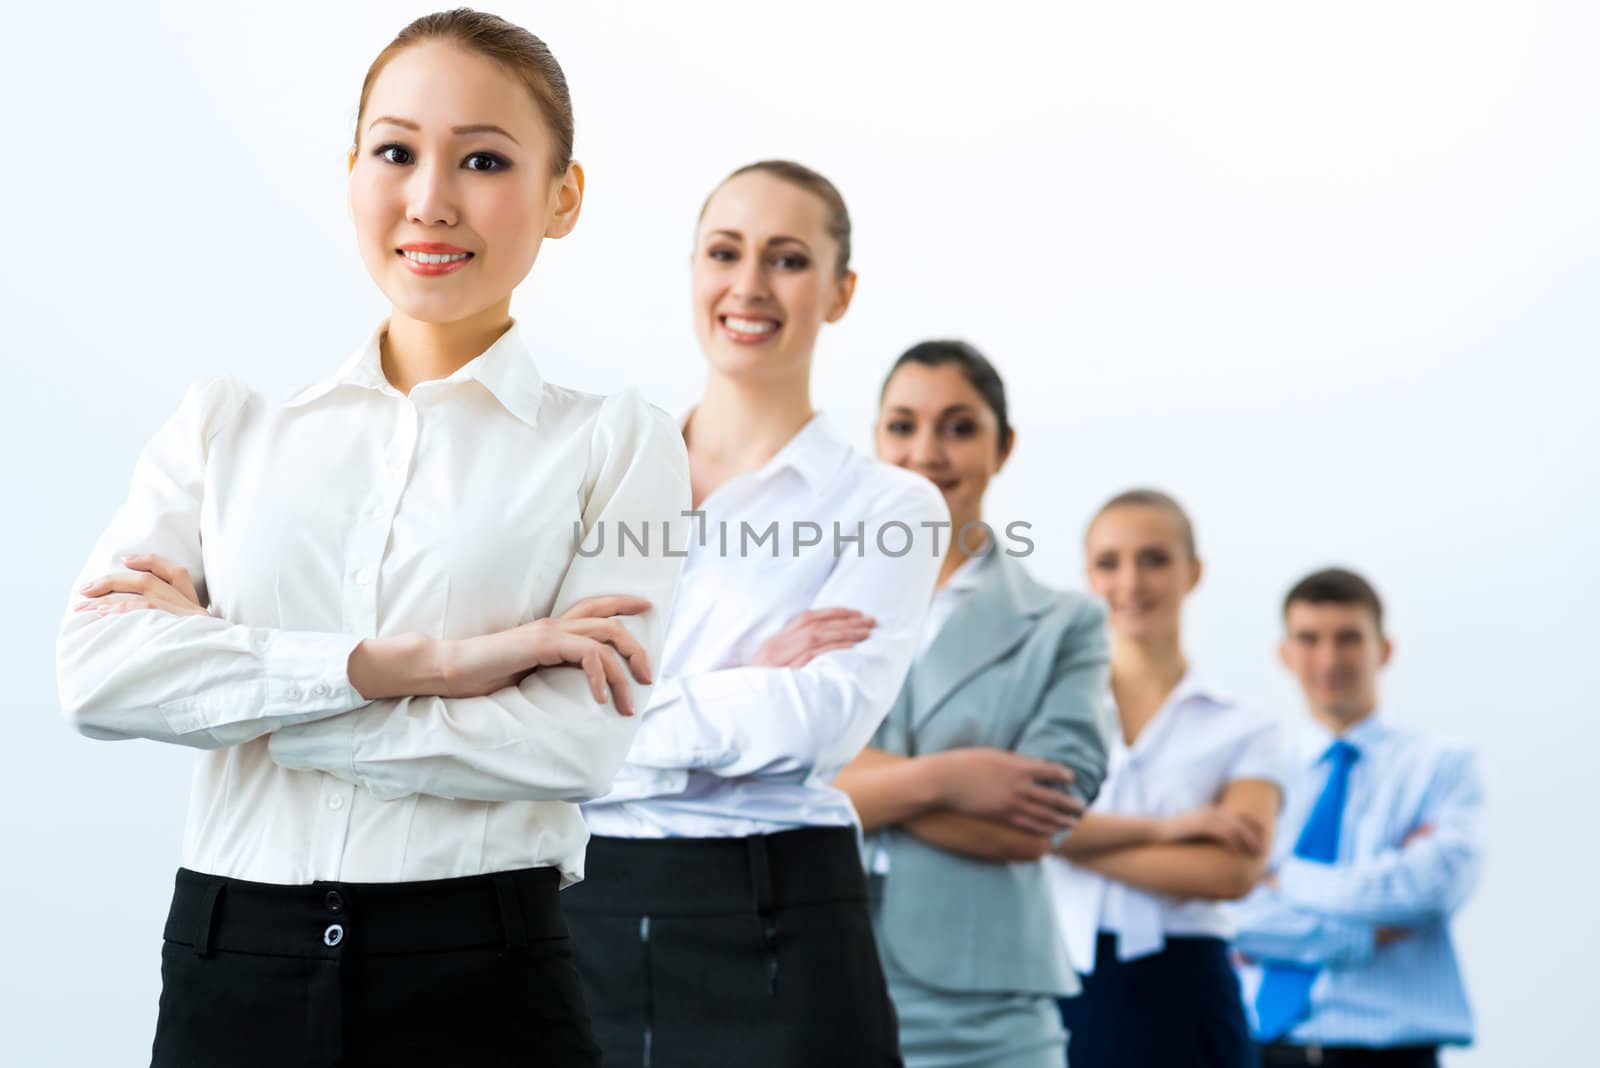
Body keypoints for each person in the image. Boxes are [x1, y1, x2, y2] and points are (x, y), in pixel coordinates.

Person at [54, 11, 689, 1066]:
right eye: (395, 152)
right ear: (352, 171)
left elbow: (573, 742)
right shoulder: (226, 427)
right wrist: (424, 668)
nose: (430, 199)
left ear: (562, 196)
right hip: (231, 965)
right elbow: (95, 676)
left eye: (483, 160)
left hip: (480, 971)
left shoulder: (616, 441)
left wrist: (252, 706)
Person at [564, 160, 949, 1068]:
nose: (748, 285)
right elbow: (504, 711)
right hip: (578, 906)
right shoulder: (586, 478)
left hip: (783, 909)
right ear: (694, 269)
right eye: (725, 253)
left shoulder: (889, 506)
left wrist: (592, 725)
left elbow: (817, 725)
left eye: (786, 259)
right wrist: (737, 688)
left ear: (839, 292)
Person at [833, 340, 1110, 1068]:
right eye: (902, 426)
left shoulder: (1063, 624)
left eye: (958, 427)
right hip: (812, 977)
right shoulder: (808, 600)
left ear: (1003, 445)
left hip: (987, 1016)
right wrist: (953, 779)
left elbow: (1038, 819)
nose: (928, 451)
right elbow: (755, 780)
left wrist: (847, 779)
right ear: (875, 440)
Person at [1047, 489, 1288, 1068]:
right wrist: (1176, 830)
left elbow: (1231, 872)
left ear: (1193, 571)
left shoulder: (1245, 726)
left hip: (1190, 991)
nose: (1130, 583)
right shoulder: (1045, 709)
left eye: (1154, 559)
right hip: (1060, 985)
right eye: (1109, 562)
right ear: (1087, 575)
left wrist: (1062, 840)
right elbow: (1017, 826)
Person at [1235, 568, 1484, 1068]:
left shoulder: (1441, 765)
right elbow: (1231, 918)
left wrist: (1280, 878)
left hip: (1393, 1053)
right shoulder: (1253, 773)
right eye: (1309, 640)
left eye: (1348, 639)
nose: (1329, 659)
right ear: (1285, 654)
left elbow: (1431, 890)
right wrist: (1370, 930)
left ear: (1383, 649)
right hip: (1265, 1051)